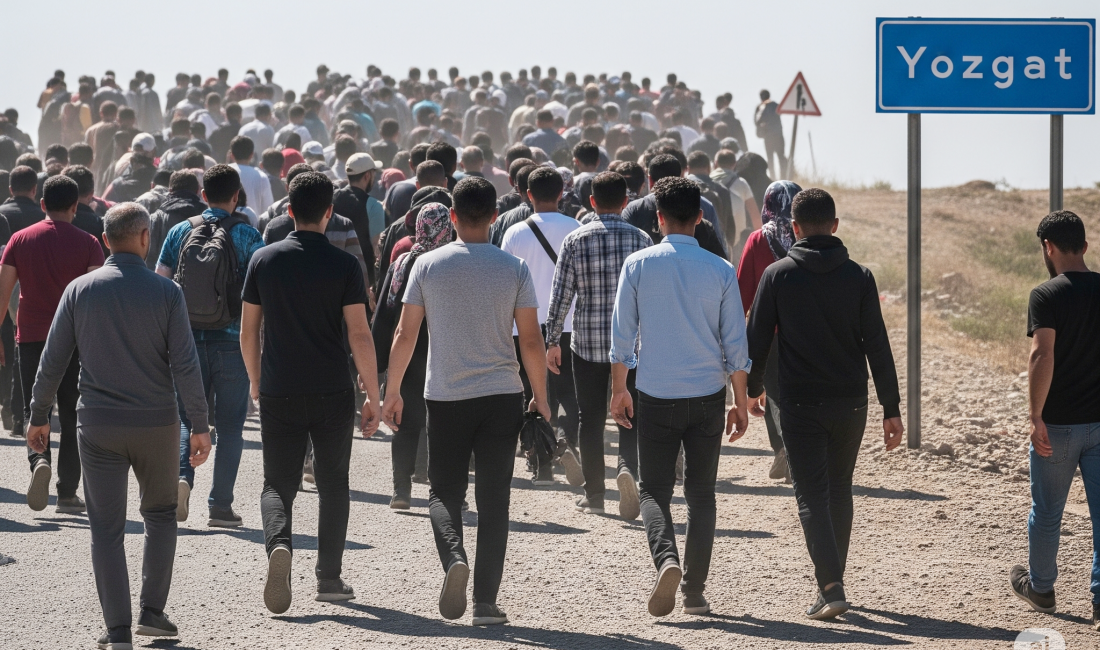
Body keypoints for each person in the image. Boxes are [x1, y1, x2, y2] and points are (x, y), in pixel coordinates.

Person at [25, 202, 211, 650]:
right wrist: (200, 423)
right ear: (146, 238)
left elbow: (53, 360)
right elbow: (186, 364)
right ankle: (152, 612)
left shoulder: (79, 290)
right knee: (160, 515)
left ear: (105, 240)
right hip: (157, 424)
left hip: (98, 424)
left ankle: (118, 631)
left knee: (105, 529)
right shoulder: (168, 293)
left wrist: (38, 414)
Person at [381, 176, 549, 626]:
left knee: (443, 492)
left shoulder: (427, 265)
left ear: (452, 216)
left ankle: (454, 557)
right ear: (494, 216)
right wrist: (541, 397)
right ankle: (485, 604)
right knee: (494, 501)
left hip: (446, 395)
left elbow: (405, 334)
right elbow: (531, 341)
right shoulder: (514, 268)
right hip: (502, 396)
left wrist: (392, 391)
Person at [745, 187, 903, 619]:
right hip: (851, 403)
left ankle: (831, 586)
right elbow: (878, 345)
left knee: (811, 494)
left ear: (794, 228)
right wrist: (891, 408)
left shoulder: (777, 275)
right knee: (839, 489)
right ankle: (834, 581)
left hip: (799, 403)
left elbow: (756, 341)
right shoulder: (860, 277)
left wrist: (752, 389)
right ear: (834, 226)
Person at [609, 177, 750, 617]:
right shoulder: (721, 269)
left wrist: (619, 389)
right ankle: (694, 592)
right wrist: (740, 401)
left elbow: (622, 337)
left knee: (653, 491)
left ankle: (666, 559)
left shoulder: (637, 264)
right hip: (708, 395)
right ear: (700, 218)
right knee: (702, 494)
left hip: (656, 393)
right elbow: (736, 344)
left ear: (658, 219)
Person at [240, 171, 380, 613]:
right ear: (330, 212)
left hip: (279, 385)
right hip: (332, 388)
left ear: (288, 210)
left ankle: (279, 544)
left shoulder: (263, 260)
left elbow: (248, 331)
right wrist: (373, 395)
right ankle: (329, 578)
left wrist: (255, 380)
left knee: (276, 484)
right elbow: (359, 334)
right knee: (334, 483)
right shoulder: (345, 265)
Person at [156, 164, 265, 528]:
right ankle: (220, 506)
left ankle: (183, 478)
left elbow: (162, 283)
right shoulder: (248, 235)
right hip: (233, 343)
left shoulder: (179, 231)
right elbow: (261, 291)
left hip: (187, 342)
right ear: (237, 197)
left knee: (188, 417)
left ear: (203, 195)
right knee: (231, 427)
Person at [1010, 211, 1100, 629]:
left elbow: (1042, 354)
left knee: (1047, 513)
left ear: (1047, 247)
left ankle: (1042, 589)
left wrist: (1035, 416)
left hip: (1059, 425)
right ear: (1084, 246)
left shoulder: (1045, 295)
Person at [544, 171, 652, 519]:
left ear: (591, 201)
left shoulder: (575, 240)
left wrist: (552, 340)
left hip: (587, 344)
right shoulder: (641, 239)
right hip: (631, 345)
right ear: (626, 201)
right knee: (629, 413)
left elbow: (561, 296)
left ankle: (595, 495)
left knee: (590, 419)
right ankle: (627, 468)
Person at [0, 175, 105, 513]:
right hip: (75, 340)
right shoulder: (89, 243)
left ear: (42, 204)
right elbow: (97, 298)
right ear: (76, 206)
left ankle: (39, 460)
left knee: (35, 407)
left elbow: (2, 294)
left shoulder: (19, 239)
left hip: (31, 336)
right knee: (73, 413)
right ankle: (67, 493)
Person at [500, 167, 583, 486]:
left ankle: (541, 464)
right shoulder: (576, 228)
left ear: (528, 194)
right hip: (569, 325)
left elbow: (505, 283)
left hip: (525, 327)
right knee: (569, 394)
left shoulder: (514, 234)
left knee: (533, 393)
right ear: (562, 193)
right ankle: (567, 443)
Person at [371, 202, 452, 508]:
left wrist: (377, 365)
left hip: (405, 355)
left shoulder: (402, 264)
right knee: (442, 424)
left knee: (403, 424)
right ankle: (444, 490)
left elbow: (385, 315)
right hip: (443, 353)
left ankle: (401, 491)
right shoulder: (452, 263)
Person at [622, 154, 726, 259]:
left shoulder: (634, 209)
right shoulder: (703, 204)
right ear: (681, 176)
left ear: (650, 180)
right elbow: (720, 253)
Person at [146, 170, 206, 269]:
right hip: (199, 276)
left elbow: (150, 257)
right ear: (197, 191)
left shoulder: (157, 218)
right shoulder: (207, 215)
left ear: (170, 190)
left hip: (162, 277)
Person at [228, 136, 273, 216]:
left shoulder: (223, 173)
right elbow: (268, 209)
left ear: (231, 155)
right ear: (252, 154)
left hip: (225, 222)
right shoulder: (261, 177)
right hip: (254, 223)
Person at [754, 90, 787, 178]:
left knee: (770, 158)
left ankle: (773, 178)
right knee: (781, 157)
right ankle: (783, 177)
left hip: (768, 137)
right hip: (778, 136)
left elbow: (756, 121)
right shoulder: (776, 106)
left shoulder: (760, 107)